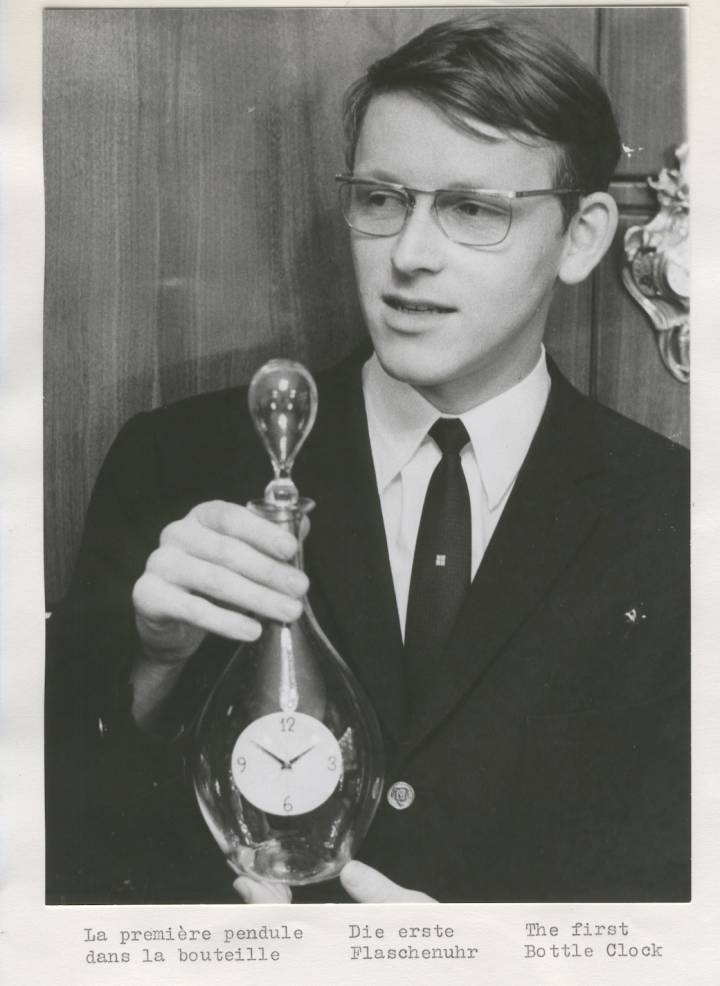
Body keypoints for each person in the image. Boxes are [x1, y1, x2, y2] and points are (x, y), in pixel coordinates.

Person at [46, 18, 689, 905]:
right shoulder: (178, 460)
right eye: (381, 200)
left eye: (473, 210)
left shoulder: (679, 516)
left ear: (581, 236)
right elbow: (54, 847)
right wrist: (155, 667)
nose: (408, 257)